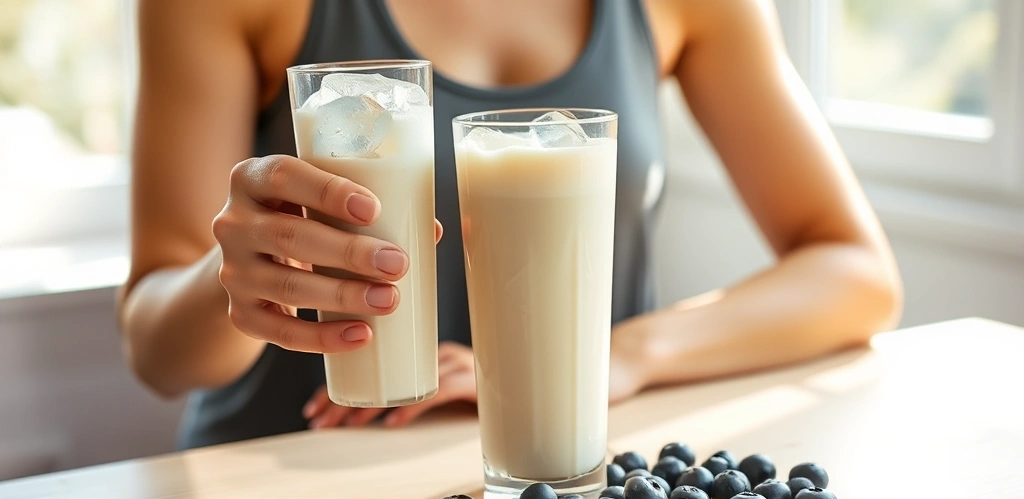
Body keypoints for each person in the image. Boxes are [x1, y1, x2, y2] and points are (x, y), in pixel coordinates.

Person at [118, 0, 903, 449]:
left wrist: (619, 356)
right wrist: (239, 281)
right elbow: (155, 350)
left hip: (554, 477)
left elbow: (856, 273)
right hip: (290, 482)